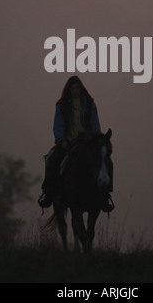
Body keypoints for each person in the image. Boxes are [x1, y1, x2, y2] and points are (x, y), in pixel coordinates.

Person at [39, 76, 114, 212]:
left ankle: (105, 196)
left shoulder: (90, 104)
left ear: (81, 88)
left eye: (77, 88)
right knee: (52, 158)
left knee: (108, 162)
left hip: (87, 142)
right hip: (68, 142)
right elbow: (58, 124)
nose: (75, 90)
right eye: (72, 88)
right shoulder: (62, 105)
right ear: (68, 89)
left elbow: (95, 124)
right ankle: (48, 193)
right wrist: (61, 140)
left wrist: (95, 140)